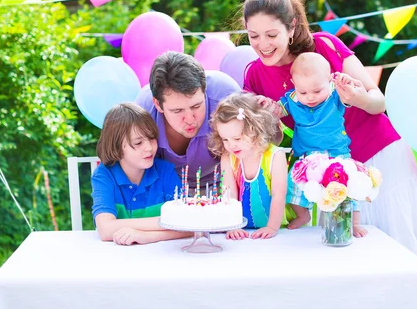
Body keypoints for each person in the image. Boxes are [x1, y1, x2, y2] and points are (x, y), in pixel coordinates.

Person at [241, 0, 417, 261]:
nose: (262, 44)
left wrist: (357, 97)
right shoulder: (254, 75)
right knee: (344, 256)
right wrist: (270, 120)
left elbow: (378, 101)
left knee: (397, 252)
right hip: (329, 177)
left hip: (379, 158)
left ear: (291, 27)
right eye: (254, 36)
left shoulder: (324, 45)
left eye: (271, 35)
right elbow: (270, 142)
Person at [264, 52, 367, 236]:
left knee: (348, 190)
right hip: (306, 158)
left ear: (329, 81)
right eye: (303, 92)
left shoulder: (336, 95)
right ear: (295, 85)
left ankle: (355, 223)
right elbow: (277, 110)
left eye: (317, 91)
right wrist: (267, 105)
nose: (310, 97)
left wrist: (346, 81)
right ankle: (302, 215)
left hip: (336, 154)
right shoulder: (293, 99)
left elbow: (350, 95)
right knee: (293, 189)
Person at [135, 51, 240, 189]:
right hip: (165, 191)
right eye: (177, 111)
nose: (190, 119)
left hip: (225, 186)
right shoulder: (143, 112)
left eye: (196, 106)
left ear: (205, 91)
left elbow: (258, 146)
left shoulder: (226, 96)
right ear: (157, 104)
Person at [91, 103, 192, 245]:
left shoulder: (164, 171)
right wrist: (167, 222)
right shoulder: (104, 175)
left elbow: (190, 224)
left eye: (152, 138)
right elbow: (105, 229)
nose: (149, 148)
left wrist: (146, 236)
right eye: (138, 143)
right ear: (117, 148)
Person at [208, 92, 292, 240]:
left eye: (237, 138)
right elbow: (229, 195)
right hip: (241, 229)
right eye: (225, 139)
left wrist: (272, 227)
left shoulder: (275, 156)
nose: (231, 145)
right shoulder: (228, 157)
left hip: (274, 229)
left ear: (255, 129)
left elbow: (279, 195)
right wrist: (232, 226)